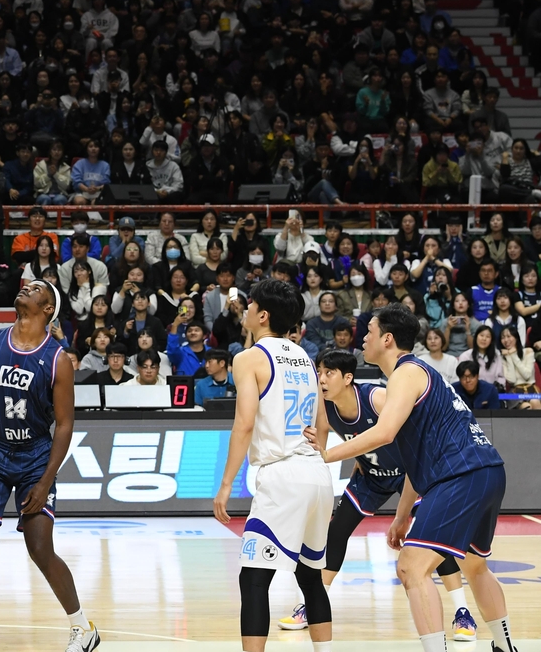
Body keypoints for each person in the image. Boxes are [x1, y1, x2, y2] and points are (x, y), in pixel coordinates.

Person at [322, 303, 515, 652]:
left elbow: (383, 433)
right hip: (486, 469)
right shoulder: (412, 375)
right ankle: (506, 647)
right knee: (475, 566)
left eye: (369, 333)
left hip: (460, 473)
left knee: (411, 568)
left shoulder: (405, 373)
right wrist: (401, 516)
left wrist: (326, 455)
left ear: (388, 339)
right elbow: (414, 462)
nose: (363, 338)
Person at [278, 351, 475, 642]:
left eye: (328, 373)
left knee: (429, 539)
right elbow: (319, 447)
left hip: (407, 474)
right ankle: (312, 605)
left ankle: (463, 612)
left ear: (348, 378)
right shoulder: (325, 407)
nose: (321, 379)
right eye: (319, 372)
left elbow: (411, 429)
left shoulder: (375, 398)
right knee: (335, 534)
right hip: (370, 477)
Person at [0, 280, 100, 652]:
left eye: (35, 288)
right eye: (25, 285)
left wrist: (45, 481)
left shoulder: (57, 360)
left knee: (39, 547)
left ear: (48, 307)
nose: (25, 288)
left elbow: (65, 425)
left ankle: (83, 628)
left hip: (35, 455)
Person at [212, 278, 333, 652]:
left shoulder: (248, 358)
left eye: (249, 306)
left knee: (253, 579)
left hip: (282, 477)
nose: (245, 310)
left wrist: (227, 483)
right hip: (316, 473)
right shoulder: (305, 359)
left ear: (262, 316)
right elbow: (323, 424)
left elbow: (244, 423)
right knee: (310, 578)